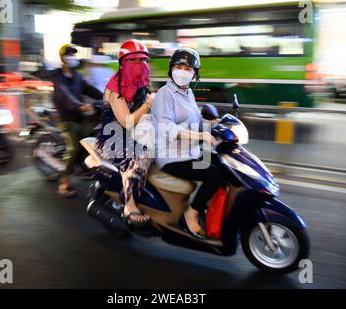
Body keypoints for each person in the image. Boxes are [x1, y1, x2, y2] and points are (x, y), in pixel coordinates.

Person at [151, 48, 226, 239]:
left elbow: (196, 121)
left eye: (188, 67)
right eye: (179, 66)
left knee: (227, 166)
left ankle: (211, 209)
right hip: (172, 156)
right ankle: (191, 214)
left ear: (194, 73)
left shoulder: (188, 93)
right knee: (214, 175)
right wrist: (201, 137)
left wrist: (215, 125)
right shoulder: (164, 94)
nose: (183, 70)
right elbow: (166, 127)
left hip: (190, 151)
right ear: (171, 69)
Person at [95, 39, 154, 225]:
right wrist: (147, 105)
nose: (140, 65)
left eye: (143, 61)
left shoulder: (141, 84)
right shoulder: (115, 89)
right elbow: (127, 122)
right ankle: (130, 204)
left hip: (136, 132)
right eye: (134, 61)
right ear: (123, 63)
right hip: (112, 138)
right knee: (142, 155)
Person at [51, 44, 103, 198]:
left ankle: (87, 165)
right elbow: (65, 96)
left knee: (94, 135)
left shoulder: (77, 76)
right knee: (73, 147)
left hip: (80, 116)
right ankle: (64, 180)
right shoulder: (57, 77)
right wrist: (81, 106)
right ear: (63, 58)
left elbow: (89, 89)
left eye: (74, 54)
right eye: (69, 55)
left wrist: (108, 97)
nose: (72, 57)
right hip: (67, 118)